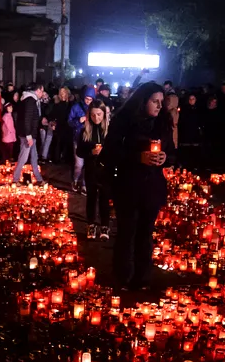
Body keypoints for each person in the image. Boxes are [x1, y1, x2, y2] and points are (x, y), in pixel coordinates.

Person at [103, 82, 173, 289]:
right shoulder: (124, 122)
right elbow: (110, 154)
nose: (159, 106)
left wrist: (165, 157)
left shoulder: (162, 123)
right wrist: (138, 157)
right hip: (128, 186)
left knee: (146, 233)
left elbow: (173, 151)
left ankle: (142, 277)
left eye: (161, 102)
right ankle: (123, 275)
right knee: (127, 232)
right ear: (143, 101)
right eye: (154, 101)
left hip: (152, 187)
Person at [77, 100, 111, 239]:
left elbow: (117, 150)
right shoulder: (85, 131)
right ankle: (91, 225)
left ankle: (105, 226)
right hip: (91, 168)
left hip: (106, 169)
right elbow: (79, 152)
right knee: (91, 197)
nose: (96, 118)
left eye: (99, 114)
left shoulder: (109, 131)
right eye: (93, 115)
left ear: (104, 114)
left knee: (105, 198)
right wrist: (91, 152)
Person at [13, 84, 44, 184]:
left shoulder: (27, 99)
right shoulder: (30, 101)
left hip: (30, 133)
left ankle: (39, 178)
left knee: (34, 156)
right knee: (24, 157)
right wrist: (28, 135)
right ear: (38, 90)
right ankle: (15, 179)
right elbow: (27, 119)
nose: (42, 94)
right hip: (28, 134)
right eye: (42, 91)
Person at [69, 85, 95, 192]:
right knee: (79, 164)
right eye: (86, 99)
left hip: (90, 140)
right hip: (78, 138)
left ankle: (84, 184)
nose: (88, 101)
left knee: (88, 164)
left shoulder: (94, 108)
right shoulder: (76, 107)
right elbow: (69, 121)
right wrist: (78, 121)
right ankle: (75, 180)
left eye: (90, 99)